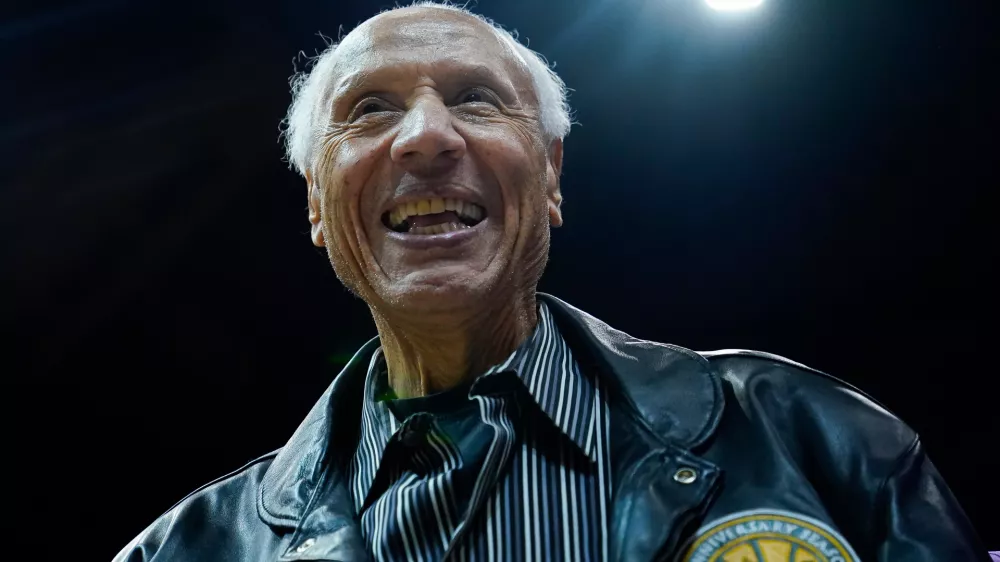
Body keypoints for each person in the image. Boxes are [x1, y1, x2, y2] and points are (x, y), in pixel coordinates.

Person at [114, 2, 988, 561]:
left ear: (552, 174)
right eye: (369, 109)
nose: (425, 135)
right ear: (316, 202)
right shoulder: (184, 551)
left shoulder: (816, 441)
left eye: (476, 99)